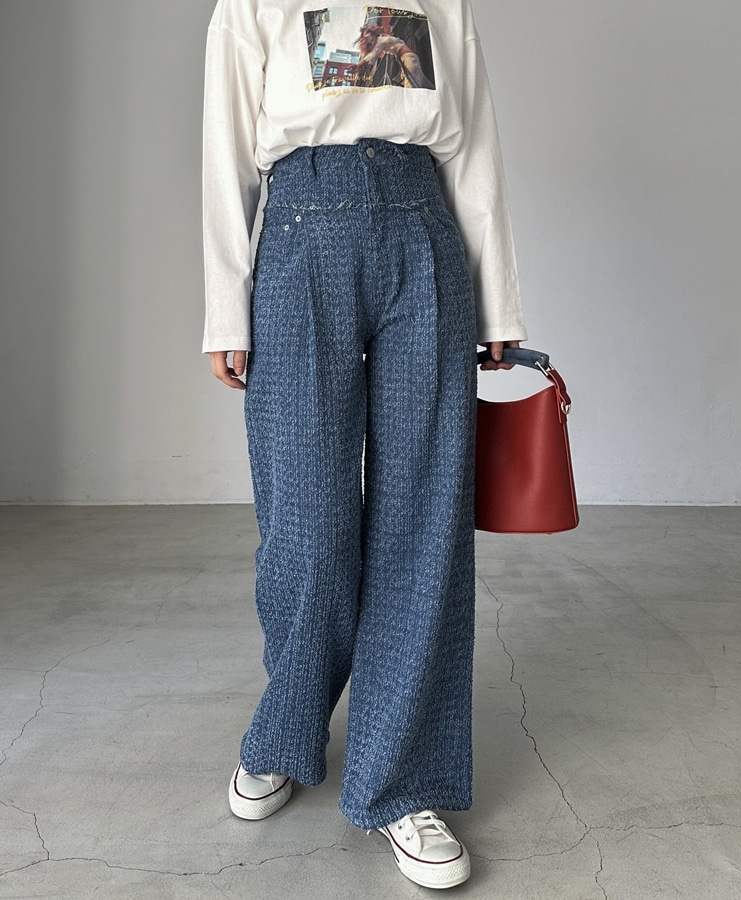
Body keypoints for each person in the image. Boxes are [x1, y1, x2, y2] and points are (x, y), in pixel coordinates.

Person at [201, 0, 529, 890]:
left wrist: (497, 296)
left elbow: (474, 142)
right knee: (305, 525)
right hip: (300, 229)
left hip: (424, 230)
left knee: (423, 521)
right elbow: (225, 149)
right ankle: (287, 729)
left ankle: (401, 780)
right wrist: (226, 308)